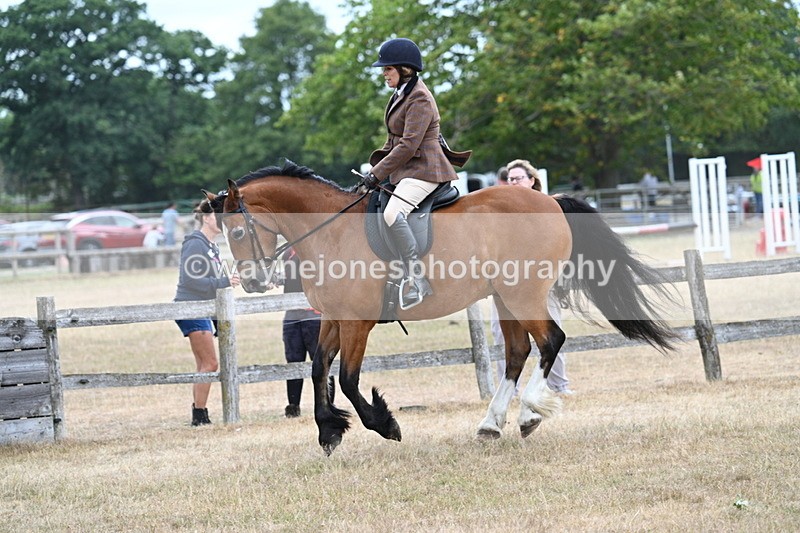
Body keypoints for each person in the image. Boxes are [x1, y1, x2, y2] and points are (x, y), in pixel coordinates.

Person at [361, 37, 471, 309]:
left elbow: (409, 145)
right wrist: (373, 171)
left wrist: (376, 173)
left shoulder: (419, 97)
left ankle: (417, 278)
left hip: (426, 169)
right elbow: (392, 140)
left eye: (388, 69)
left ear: (404, 69)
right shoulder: (400, 94)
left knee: (392, 213)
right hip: (408, 169)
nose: (383, 74)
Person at [491, 158, 573, 395]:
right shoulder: (501, 213)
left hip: (542, 283)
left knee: (548, 331)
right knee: (501, 333)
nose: (512, 182)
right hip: (509, 284)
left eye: (517, 178)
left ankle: (558, 385)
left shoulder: (547, 209)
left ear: (532, 180)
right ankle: (510, 388)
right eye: (509, 179)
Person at [174, 206, 240, 426]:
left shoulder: (211, 246)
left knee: (204, 364)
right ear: (206, 218)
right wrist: (224, 282)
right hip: (191, 307)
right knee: (210, 364)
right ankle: (200, 415)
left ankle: (199, 413)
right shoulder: (195, 243)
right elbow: (191, 280)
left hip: (203, 309)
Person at [281, 247, 322, 418]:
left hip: (312, 315)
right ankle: (293, 406)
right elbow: (291, 280)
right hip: (292, 314)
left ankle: (325, 403)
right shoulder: (287, 253)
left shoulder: (314, 247)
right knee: (293, 361)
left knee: (320, 361)